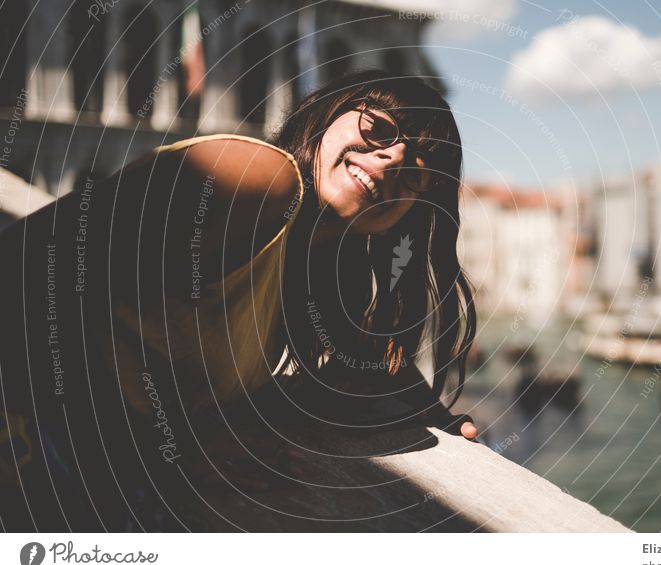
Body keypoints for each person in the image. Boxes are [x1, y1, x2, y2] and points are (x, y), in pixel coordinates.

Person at [0, 69, 478, 531]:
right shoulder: (259, 180)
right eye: (378, 127)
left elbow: (362, 376)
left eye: (420, 167)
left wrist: (435, 420)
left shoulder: (319, 266)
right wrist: (180, 442)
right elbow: (28, 262)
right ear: (327, 113)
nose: (394, 158)